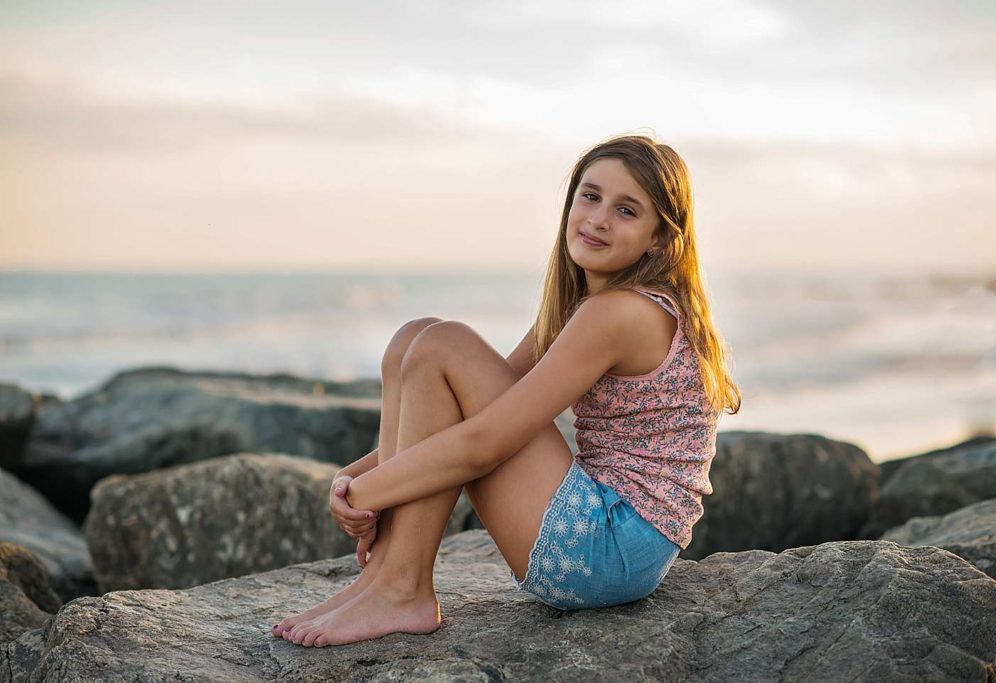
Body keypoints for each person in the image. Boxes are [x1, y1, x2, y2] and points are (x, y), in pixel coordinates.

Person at [271, 134, 742, 647]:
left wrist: (370, 494)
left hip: (609, 547)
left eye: (626, 210)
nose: (599, 218)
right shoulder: (585, 307)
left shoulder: (621, 313)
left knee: (442, 345)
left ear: (658, 238)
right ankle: (382, 580)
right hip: (608, 536)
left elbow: (485, 442)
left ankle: (401, 588)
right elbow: (460, 411)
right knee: (416, 337)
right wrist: (355, 475)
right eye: (590, 196)